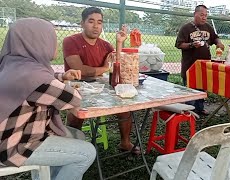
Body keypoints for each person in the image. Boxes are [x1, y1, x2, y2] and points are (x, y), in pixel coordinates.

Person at [0, 18, 96, 180]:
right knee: (87, 152)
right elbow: (74, 99)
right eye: (51, 38)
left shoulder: (13, 63)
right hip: (11, 147)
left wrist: (62, 76)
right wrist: (67, 85)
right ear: (38, 41)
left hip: (14, 134)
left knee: (77, 135)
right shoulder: (35, 77)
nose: (55, 43)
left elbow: (40, 81)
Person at [63, 7, 140, 154]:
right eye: (91, 21)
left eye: (99, 22)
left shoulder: (104, 44)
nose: (96, 26)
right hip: (77, 86)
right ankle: (70, 150)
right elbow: (79, 70)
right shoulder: (70, 41)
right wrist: (105, 68)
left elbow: (118, 63)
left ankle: (125, 142)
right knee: (76, 113)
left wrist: (119, 43)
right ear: (82, 23)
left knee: (125, 107)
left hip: (100, 87)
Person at [175, 4, 225, 116]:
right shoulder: (186, 28)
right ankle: (188, 111)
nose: (204, 17)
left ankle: (200, 108)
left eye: (206, 15)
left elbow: (215, 37)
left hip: (204, 65)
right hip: (190, 65)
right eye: (202, 15)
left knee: (202, 87)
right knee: (190, 89)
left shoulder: (208, 27)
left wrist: (219, 43)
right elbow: (179, 44)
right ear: (195, 14)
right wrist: (192, 45)